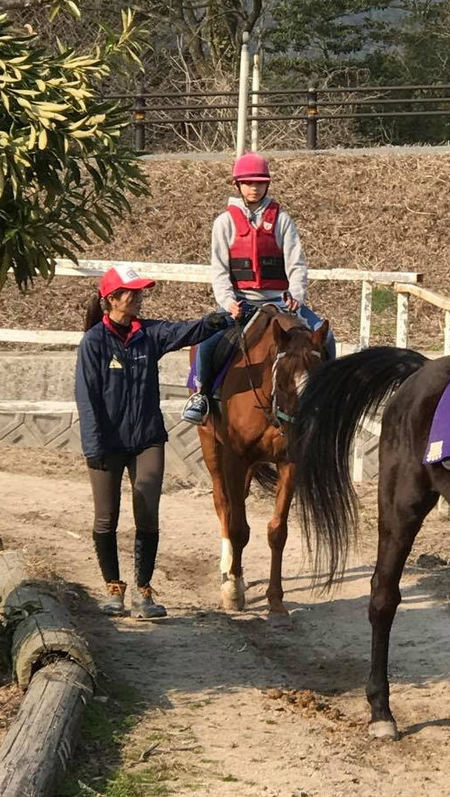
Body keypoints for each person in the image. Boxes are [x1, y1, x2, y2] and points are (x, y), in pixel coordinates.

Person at [76, 265, 236, 618]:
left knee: (147, 513)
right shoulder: (94, 343)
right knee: (106, 518)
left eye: (140, 291)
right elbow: (87, 400)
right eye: (130, 292)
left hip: (147, 439)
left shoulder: (149, 334)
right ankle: (114, 590)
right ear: (111, 299)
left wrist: (222, 319)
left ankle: (144, 592)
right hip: (106, 444)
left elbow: (186, 331)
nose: (138, 297)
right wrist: (94, 447)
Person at [181, 151, 334, 425]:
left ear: (267, 184)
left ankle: (327, 396)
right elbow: (219, 269)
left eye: (259, 182)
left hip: (280, 302)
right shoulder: (224, 223)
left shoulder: (283, 221)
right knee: (206, 342)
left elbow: (296, 263)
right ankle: (201, 394)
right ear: (237, 185)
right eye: (248, 182)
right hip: (241, 301)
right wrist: (227, 301)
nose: (254, 187)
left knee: (327, 337)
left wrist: (297, 295)